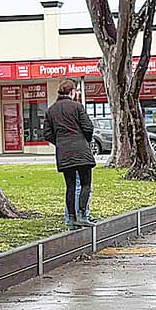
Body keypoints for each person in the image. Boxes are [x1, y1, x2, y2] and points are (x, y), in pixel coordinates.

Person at [39, 79, 97, 226]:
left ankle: (71, 218)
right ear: (72, 92)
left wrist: (60, 142)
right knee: (85, 184)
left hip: (64, 153)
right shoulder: (77, 107)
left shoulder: (51, 110)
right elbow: (88, 127)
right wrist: (85, 140)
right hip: (81, 150)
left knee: (70, 186)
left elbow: (47, 134)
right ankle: (82, 215)